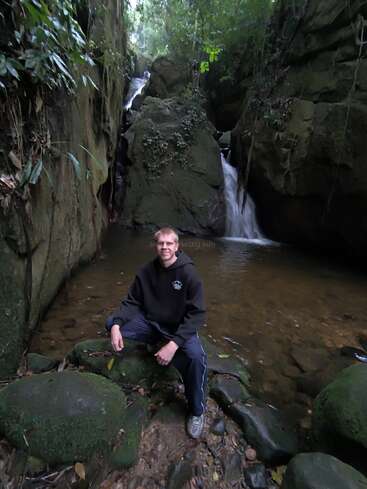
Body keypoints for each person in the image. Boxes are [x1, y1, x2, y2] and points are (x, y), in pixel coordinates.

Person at [106, 227, 207, 439]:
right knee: (112, 324)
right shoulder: (146, 272)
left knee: (196, 358)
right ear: (156, 246)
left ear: (177, 246)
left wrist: (173, 345)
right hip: (152, 323)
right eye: (161, 243)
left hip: (177, 329)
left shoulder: (189, 274)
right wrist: (116, 324)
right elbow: (131, 302)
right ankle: (154, 342)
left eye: (169, 243)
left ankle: (197, 411)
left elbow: (197, 315)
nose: (165, 247)